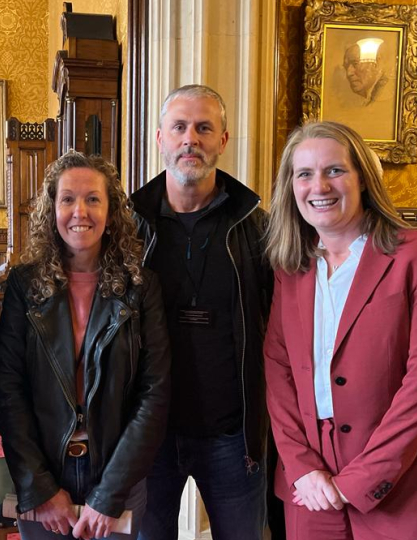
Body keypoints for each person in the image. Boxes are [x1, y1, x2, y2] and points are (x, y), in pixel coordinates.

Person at [264, 121, 417, 539]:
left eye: (334, 170)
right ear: (291, 188)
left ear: (362, 178)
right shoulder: (291, 268)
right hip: (311, 492)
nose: (318, 186)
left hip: (405, 487)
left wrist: (358, 479)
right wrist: (302, 468)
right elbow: (278, 370)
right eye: (303, 174)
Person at [0, 150, 171, 540]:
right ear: (51, 208)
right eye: (68, 199)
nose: (80, 212)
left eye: (93, 199)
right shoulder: (25, 286)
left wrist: (110, 493)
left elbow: (154, 395)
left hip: (116, 473)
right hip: (42, 473)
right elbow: (9, 391)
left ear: (111, 212)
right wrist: (39, 487)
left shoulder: (142, 287)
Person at [131, 85, 272, 540]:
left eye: (204, 127)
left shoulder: (258, 227)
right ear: (160, 139)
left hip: (234, 438)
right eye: (179, 127)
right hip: (149, 437)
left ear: (223, 140)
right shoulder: (127, 227)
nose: (190, 138)